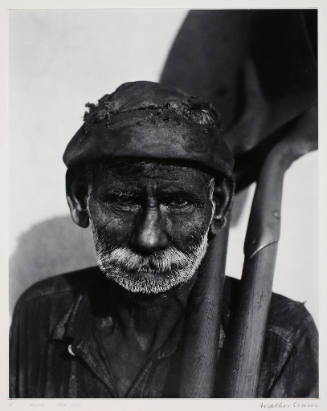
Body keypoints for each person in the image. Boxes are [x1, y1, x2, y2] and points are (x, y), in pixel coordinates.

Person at [9, 81, 318, 398]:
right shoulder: (40, 315)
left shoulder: (281, 338)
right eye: (124, 201)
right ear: (79, 199)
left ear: (220, 204)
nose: (149, 238)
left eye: (179, 202)